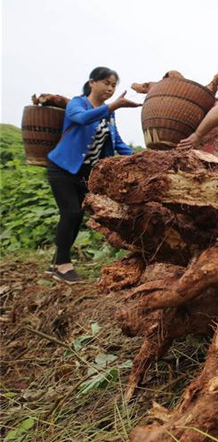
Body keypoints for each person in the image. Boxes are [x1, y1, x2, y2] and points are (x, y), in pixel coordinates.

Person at [45, 66, 140, 284]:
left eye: (114, 85)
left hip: (86, 174)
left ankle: (56, 263)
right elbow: (81, 119)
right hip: (62, 169)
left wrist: (140, 157)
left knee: (77, 216)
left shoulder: (109, 113)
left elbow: (116, 142)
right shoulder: (77, 104)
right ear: (92, 83)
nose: (110, 88)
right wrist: (112, 107)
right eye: (106, 83)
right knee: (71, 213)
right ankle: (63, 264)